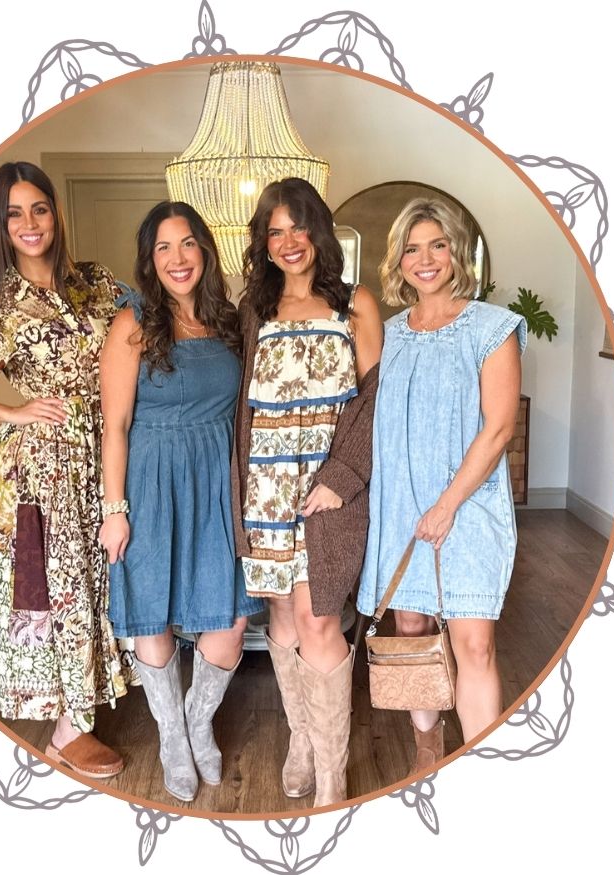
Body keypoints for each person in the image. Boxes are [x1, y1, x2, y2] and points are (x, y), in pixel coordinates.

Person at [0, 161, 137, 781]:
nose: (29, 223)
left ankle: (92, 699)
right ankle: (66, 726)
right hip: (39, 467)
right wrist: (10, 411)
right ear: (1, 223)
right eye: (15, 213)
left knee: (104, 577)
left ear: (57, 213)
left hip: (105, 447)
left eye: (39, 209)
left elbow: (148, 332)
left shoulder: (97, 283)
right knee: (54, 588)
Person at [356, 198, 526, 772]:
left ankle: (480, 758)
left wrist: (449, 503)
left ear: (457, 253)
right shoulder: (392, 332)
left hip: (467, 507)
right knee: (411, 630)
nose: (425, 259)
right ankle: (428, 743)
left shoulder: (491, 327)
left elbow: (500, 426)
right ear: (397, 260)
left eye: (437, 245)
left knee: (474, 642)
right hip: (402, 507)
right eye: (411, 248)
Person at [99, 201, 261, 804]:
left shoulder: (227, 321)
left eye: (187, 244)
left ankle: (198, 721)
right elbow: (114, 424)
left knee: (229, 618)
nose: (177, 258)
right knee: (155, 611)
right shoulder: (132, 323)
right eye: (164, 248)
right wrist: (115, 509)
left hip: (218, 481)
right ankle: (172, 738)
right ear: (150, 260)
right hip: (151, 479)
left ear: (205, 251)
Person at [231, 177, 383, 808]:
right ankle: (301, 743)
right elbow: (239, 406)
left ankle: (332, 777)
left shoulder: (355, 306)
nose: (289, 241)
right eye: (275, 231)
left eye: (298, 227)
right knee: (285, 618)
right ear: (263, 245)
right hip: (265, 488)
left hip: (328, 490)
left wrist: (341, 481)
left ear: (318, 232)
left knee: (321, 620)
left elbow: (375, 402)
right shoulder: (253, 313)